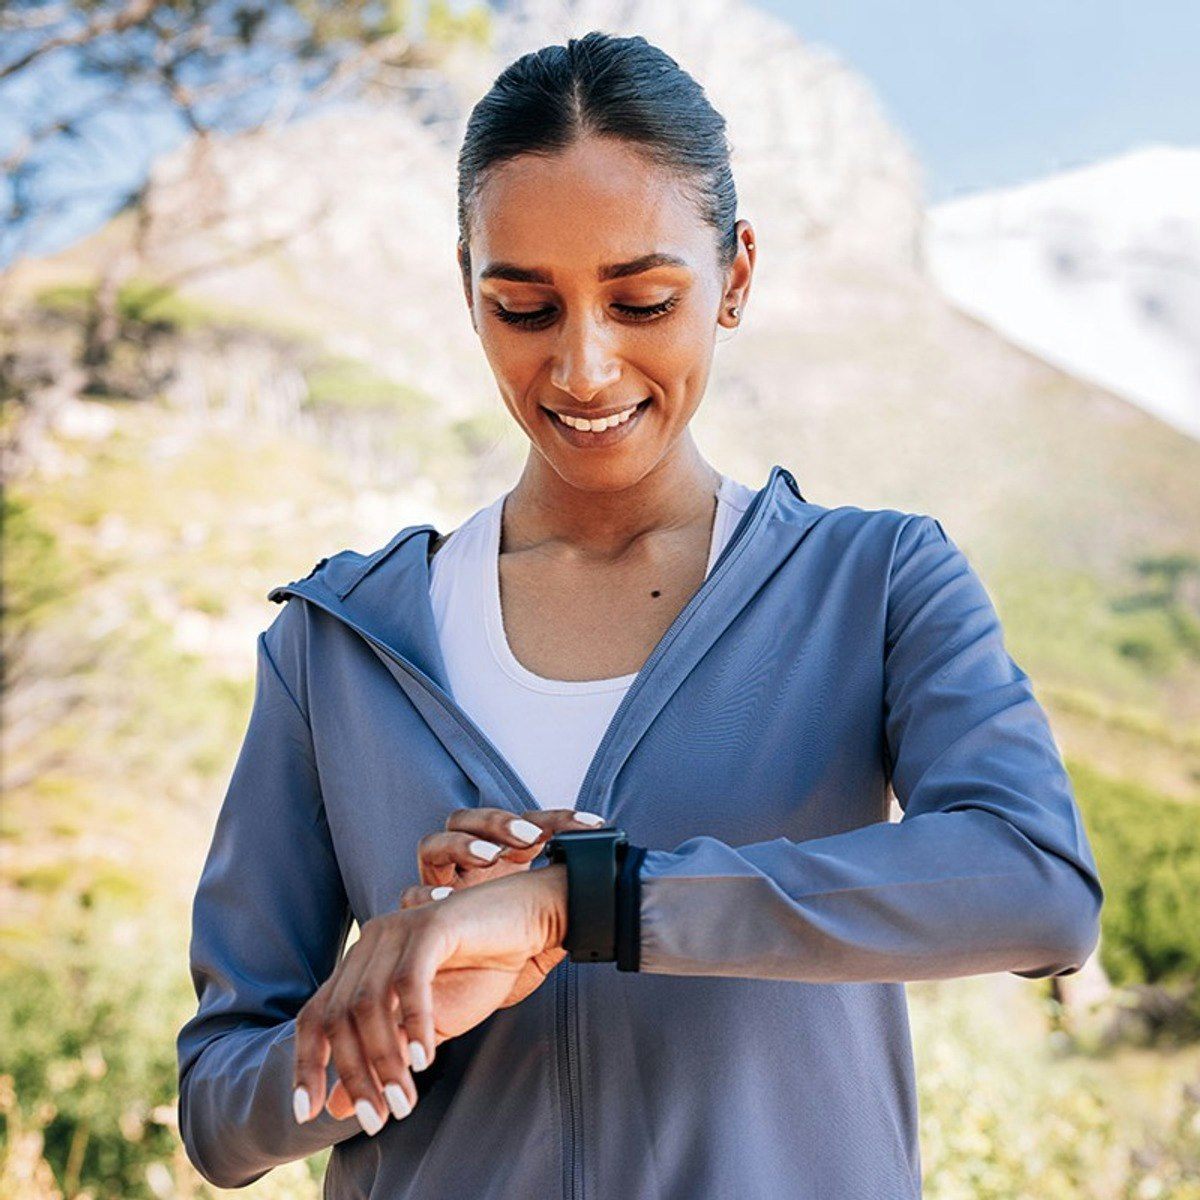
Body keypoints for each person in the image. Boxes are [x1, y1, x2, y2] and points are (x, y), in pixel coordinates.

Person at [176, 31, 1104, 1200]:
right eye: (525, 308)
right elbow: (220, 1111)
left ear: (737, 277)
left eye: (643, 300)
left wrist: (585, 903)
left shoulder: (875, 582)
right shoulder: (338, 644)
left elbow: (1036, 883)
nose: (585, 367)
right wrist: (394, 1026)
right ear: (467, 290)